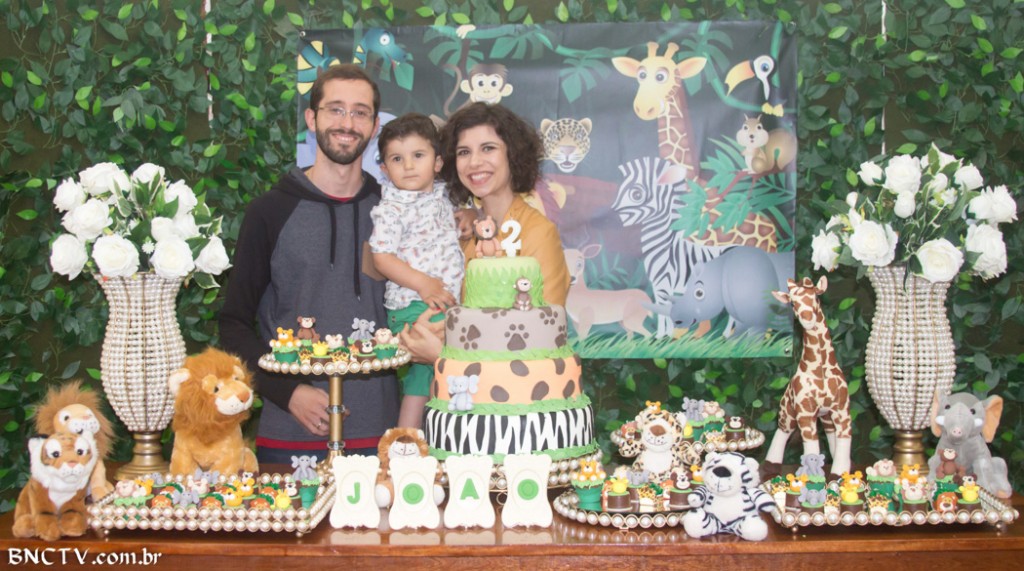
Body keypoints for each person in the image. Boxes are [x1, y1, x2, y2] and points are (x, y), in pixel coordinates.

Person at [219, 64, 399, 462]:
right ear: (311, 118)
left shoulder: (394, 212)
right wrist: (287, 392)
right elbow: (233, 323)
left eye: (360, 112)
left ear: (374, 127)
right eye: (335, 109)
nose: (347, 123)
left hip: (382, 436)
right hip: (289, 434)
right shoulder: (269, 212)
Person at [399, 102, 570, 365]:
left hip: (510, 386)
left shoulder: (538, 232)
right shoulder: (456, 230)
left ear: (513, 154)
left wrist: (444, 357)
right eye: (464, 152)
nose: (474, 162)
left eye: (488, 148)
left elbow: (543, 336)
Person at [368, 113, 464, 429]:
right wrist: (424, 284)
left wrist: (470, 215)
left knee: (421, 382)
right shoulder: (392, 207)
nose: (408, 166)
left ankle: (405, 441)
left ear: (437, 163)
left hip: (436, 302)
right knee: (454, 367)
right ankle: (444, 435)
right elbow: (381, 257)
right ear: (384, 169)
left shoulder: (439, 196)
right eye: (397, 158)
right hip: (415, 305)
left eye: (418, 155)